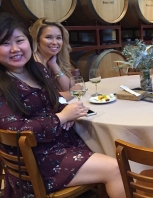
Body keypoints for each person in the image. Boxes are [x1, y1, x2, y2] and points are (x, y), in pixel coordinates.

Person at [0, 13, 125, 198]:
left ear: (28, 41)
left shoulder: (38, 70)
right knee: (115, 168)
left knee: (111, 148)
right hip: (37, 159)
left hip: (59, 143)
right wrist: (61, 118)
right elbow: (16, 129)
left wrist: (65, 112)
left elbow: (54, 100)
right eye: (5, 43)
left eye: (19, 40)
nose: (15, 49)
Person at [29, 18, 73, 101]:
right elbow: (49, 98)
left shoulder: (52, 60)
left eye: (58, 38)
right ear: (37, 40)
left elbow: (70, 87)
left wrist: (54, 65)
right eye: (49, 37)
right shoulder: (34, 63)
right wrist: (73, 93)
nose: (55, 42)